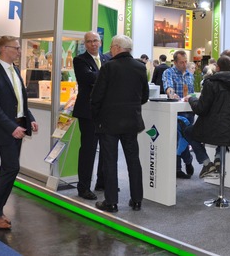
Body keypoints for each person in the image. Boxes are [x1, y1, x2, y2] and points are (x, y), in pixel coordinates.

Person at [0, 36, 38, 230]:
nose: (19, 51)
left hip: (18, 127)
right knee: (11, 168)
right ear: (4, 49)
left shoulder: (15, 70)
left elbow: (20, 101)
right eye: (16, 48)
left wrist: (30, 118)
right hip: (6, 129)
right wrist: (12, 128)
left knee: (9, 169)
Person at [91, 35, 148, 213]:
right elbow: (144, 96)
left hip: (109, 123)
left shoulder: (109, 67)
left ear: (116, 47)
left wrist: (96, 116)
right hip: (132, 122)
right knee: (133, 161)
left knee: (110, 162)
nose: (110, 50)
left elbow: (97, 96)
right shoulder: (140, 67)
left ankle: (111, 202)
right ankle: (137, 200)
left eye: (111, 47)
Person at [186, 55, 230, 177]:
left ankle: (206, 163)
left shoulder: (211, 83)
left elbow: (200, 109)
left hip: (215, 130)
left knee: (188, 131)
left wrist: (191, 99)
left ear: (218, 67)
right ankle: (218, 158)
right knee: (223, 132)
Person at [73, 31, 108, 200]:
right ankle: (83, 187)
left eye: (95, 40)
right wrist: (108, 75)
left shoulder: (107, 60)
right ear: (85, 44)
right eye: (89, 41)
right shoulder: (80, 60)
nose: (93, 44)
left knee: (106, 148)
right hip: (87, 113)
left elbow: (97, 77)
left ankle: (102, 182)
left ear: (100, 42)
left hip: (106, 112)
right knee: (88, 150)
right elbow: (88, 78)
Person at [162, 50, 196, 179]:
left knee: (185, 139)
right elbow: (168, 87)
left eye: (186, 61)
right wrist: (172, 94)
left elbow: (192, 92)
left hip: (189, 112)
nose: (184, 64)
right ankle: (179, 167)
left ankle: (187, 160)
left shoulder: (189, 75)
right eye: (182, 62)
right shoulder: (168, 72)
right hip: (176, 112)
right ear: (175, 62)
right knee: (177, 138)